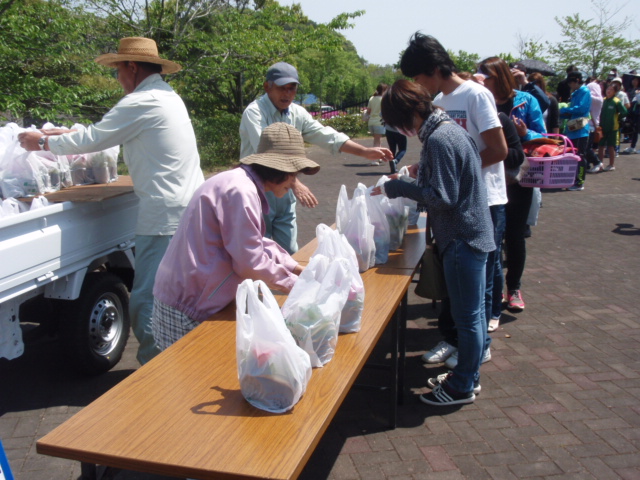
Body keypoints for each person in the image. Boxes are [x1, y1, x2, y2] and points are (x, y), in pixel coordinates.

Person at [18, 37, 205, 365]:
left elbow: (95, 138)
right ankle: (179, 359)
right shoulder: (166, 96)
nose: (117, 78)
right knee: (176, 294)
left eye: (118, 71)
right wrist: (63, 134)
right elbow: (106, 132)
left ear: (132, 68)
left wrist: (43, 141)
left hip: (164, 216)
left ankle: (155, 373)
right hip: (188, 209)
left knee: (147, 300)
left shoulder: (141, 102)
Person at [372, 80, 495, 406]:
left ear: (410, 112)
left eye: (398, 122)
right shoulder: (449, 129)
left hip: (461, 237)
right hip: (475, 232)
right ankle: (467, 376)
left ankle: (462, 386)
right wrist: (412, 176)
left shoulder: (439, 138)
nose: (400, 129)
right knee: (475, 314)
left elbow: (442, 197)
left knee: (468, 318)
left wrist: (398, 189)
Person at [152, 123, 317, 350]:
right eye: (293, 175)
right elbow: (250, 262)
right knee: (188, 378)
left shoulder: (239, 183)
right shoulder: (241, 191)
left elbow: (254, 243)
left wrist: (296, 268)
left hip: (188, 296)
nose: (293, 183)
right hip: (188, 304)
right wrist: (296, 285)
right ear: (280, 170)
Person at [399, 33, 507, 369]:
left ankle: (476, 348)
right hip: (449, 205)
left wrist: (452, 176)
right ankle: (453, 338)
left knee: (480, 284)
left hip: (482, 202)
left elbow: (499, 150)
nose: (419, 86)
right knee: (452, 279)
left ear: (434, 69)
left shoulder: (475, 95)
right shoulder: (439, 101)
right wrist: (426, 168)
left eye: (418, 78)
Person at [239, 62, 392, 254]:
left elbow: (326, 135)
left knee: (290, 251)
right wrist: (295, 183)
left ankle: (288, 283)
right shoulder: (254, 112)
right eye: (281, 88)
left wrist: (364, 151)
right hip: (257, 191)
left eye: (292, 89)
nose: (287, 94)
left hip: (283, 192)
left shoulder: (296, 112)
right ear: (267, 86)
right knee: (258, 251)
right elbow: (266, 156)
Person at [477, 57, 546, 319]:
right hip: (488, 179)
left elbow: (544, 136)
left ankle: (514, 288)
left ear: (500, 76)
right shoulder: (479, 100)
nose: (482, 80)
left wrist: (524, 132)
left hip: (517, 177)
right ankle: (491, 294)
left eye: (486, 76)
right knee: (493, 238)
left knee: (515, 236)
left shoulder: (526, 101)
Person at [560, 71, 592, 191]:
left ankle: (580, 182)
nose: (570, 85)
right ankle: (573, 180)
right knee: (573, 156)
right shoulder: (576, 92)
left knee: (580, 156)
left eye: (571, 83)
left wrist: (564, 110)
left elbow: (582, 108)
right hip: (573, 128)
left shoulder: (584, 91)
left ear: (576, 81)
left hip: (581, 129)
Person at [597, 84, 628, 171]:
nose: (608, 91)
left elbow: (624, 112)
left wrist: (618, 118)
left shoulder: (616, 101)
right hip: (602, 127)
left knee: (611, 146)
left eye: (611, 89)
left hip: (612, 128)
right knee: (601, 146)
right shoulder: (603, 100)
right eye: (608, 89)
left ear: (615, 91)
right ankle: (600, 164)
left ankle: (611, 164)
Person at [366, 83, 387, 162]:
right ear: (384, 90)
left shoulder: (372, 98)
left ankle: (379, 156)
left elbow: (368, 111)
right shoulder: (383, 99)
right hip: (379, 122)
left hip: (371, 122)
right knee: (377, 142)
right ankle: (374, 160)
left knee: (377, 139)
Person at [623, 73, 640, 154]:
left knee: (637, 130)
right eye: (633, 80)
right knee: (634, 130)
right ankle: (632, 146)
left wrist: (637, 94)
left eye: (636, 80)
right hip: (632, 112)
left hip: (638, 112)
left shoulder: (638, 90)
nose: (634, 82)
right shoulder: (629, 89)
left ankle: (633, 146)